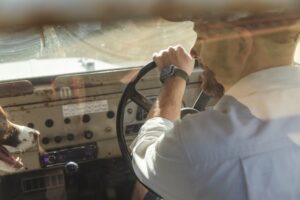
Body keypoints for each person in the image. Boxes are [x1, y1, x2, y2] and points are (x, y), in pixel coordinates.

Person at [131, 10, 300, 200]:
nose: (194, 51)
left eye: (201, 37)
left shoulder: (195, 144)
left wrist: (174, 78)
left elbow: (145, 157)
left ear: (240, 44)